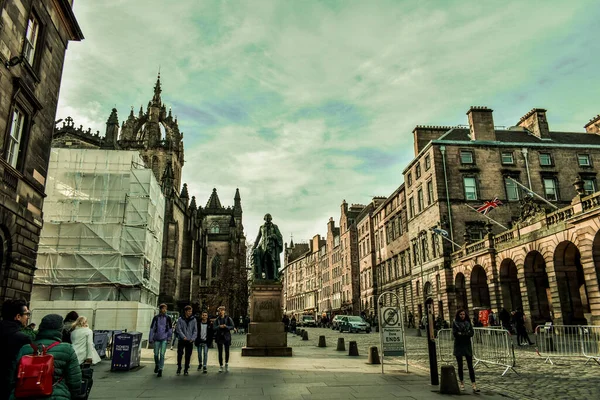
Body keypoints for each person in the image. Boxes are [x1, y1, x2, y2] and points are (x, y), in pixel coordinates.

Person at [10, 314, 82, 400]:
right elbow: (75, 381)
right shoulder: (67, 349)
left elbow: (13, 377)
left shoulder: (25, 349)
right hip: (57, 395)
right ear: (60, 330)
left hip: (26, 394)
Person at [0, 299, 32, 400]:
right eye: (26, 314)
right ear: (18, 316)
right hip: (9, 387)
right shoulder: (22, 338)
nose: (27, 317)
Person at [70, 316, 100, 400]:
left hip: (73, 354)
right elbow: (89, 344)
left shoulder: (74, 332)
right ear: (85, 322)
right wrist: (89, 357)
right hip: (83, 355)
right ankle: (82, 394)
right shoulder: (88, 331)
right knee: (85, 377)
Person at [452, 309, 479, 393]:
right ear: (458, 315)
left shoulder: (468, 322)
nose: (462, 316)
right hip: (459, 346)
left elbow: (471, 333)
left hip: (467, 346)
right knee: (460, 366)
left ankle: (474, 384)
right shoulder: (455, 323)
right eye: (460, 314)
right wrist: (464, 334)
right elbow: (455, 334)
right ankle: (462, 383)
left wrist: (463, 334)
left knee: (470, 366)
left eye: (463, 314)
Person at [252, 213, 284, 280]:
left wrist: (274, 236)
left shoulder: (275, 227)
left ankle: (275, 276)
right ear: (264, 219)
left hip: (272, 246)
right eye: (266, 218)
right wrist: (254, 246)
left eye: (269, 218)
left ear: (271, 219)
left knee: (273, 260)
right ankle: (267, 277)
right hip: (263, 247)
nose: (268, 219)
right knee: (265, 261)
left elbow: (279, 236)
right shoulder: (261, 227)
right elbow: (258, 237)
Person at [149, 304, 173, 377]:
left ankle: (160, 369)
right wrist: (150, 338)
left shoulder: (168, 318)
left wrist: (169, 338)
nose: (165, 310)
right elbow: (152, 328)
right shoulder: (156, 318)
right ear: (160, 309)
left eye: (166, 309)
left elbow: (170, 329)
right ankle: (157, 364)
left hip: (164, 338)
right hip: (156, 338)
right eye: (163, 309)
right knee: (156, 354)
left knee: (162, 354)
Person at [176, 305, 197, 375]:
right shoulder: (180, 319)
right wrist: (183, 336)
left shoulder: (194, 320)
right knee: (180, 354)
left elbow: (195, 330)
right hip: (182, 339)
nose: (190, 313)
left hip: (190, 340)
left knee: (188, 355)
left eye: (191, 311)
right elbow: (178, 329)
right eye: (189, 311)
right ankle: (179, 367)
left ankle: (186, 369)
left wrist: (193, 338)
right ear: (185, 311)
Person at [213, 306, 234, 373]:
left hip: (226, 337)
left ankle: (226, 363)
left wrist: (226, 326)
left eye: (222, 310)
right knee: (220, 352)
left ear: (224, 311)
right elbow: (214, 328)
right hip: (219, 337)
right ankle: (221, 365)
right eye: (219, 311)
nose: (220, 312)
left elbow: (232, 326)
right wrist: (219, 326)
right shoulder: (217, 319)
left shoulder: (228, 319)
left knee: (227, 351)